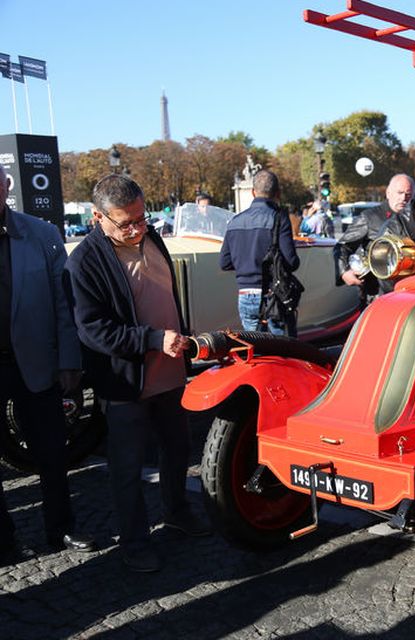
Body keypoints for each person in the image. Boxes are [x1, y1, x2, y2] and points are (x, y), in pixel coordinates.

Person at [65, 174, 210, 573]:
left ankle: (178, 511)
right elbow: (93, 330)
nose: (135, 229)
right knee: (127, 466)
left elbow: (164, 296)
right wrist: (150, 339)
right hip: (125, 381)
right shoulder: (84, 262)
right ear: (97, 218)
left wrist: (178, 334)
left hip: (169, 371)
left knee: (178, 448)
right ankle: (134, 541)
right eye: (124, 223)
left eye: (141, 219)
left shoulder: (152, 237)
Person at [0, 165, 96, 565]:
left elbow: (64, 305)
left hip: (36, 361)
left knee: (52, 450)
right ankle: (3, 540)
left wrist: (70, 360)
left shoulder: (42, 234)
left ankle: (61, 527)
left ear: (5, 186)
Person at [220, 170, 300, 336]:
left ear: (253, 192)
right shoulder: (279, 218)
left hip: (245, 294)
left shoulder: (235, 221)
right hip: (273, 295)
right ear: (277, 193)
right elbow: (291, 262)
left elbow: (224, 262)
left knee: (257, 349)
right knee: (283, 350)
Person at [337, 173, 415, 302]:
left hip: (410, 291)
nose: (403, 198)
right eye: (400, 193)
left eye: (408, 194)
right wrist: (344, 271)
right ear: (388, 193)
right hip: (377, 293)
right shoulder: (369, 217)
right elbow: (343, 246)